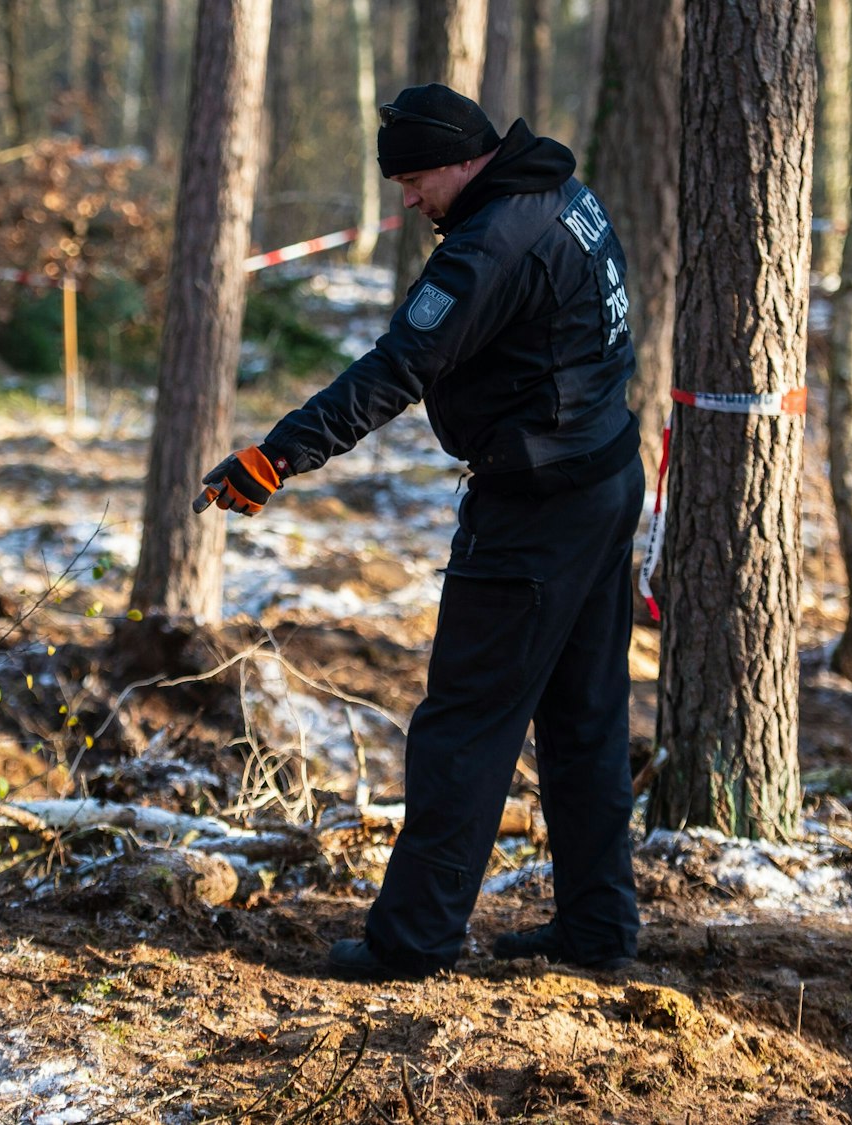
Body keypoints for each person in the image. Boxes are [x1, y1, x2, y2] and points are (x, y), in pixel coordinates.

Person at [200, 84, 643, 980]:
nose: (408, 201)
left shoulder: (488, 244)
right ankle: (598, 926)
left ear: (461, 159)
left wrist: (278, 455)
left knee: (463, 729)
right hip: (603, 479)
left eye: (414, 181)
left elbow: (397, 368)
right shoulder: (565, 194)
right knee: (585, 718)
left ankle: (411, 941)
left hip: (533, 511)